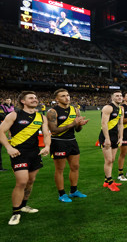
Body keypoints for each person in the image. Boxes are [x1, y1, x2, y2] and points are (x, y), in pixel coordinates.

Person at [0, 91, 51, 225]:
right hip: (18, 153)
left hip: (35, 153)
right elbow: (0, 131)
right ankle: (16, 213)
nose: (35, 100)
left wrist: (47, 146)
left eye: (35, 97)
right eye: (31, 98)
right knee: (22, 182)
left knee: (30, 181)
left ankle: (23, 205)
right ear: (23, 101)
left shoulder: (41, 117)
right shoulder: (14, 115)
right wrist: (9, 148)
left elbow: (46, 134)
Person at [46, 89, 89, 202]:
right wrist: (73, 124)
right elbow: (54, 130)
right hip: (58, 142)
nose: (67, 98)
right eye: (63, 96)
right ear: (57, 99)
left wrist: (79, 125)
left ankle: (74, 191)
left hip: (72, 141)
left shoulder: (75, 110)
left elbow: (78, 130)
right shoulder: (52, 111)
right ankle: (62, 194)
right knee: (60, 169)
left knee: (75, 167)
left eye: (68, 95)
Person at [99, 90, 124, 191]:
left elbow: (120, 124)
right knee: (108, 160)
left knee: (112, 160)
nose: (119, 97)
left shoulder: (120, 109)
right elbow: (104, 124)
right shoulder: (108, 108)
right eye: (117, 96)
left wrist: (121, 137)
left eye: (120, 96)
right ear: (112, 97)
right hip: (106, 137)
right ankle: (110, 182)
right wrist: (107, 139)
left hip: (115, 137)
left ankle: (107, 181)